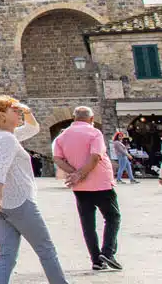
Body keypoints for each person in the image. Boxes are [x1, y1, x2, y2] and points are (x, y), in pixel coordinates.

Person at [0, 96, 101, 284]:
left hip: (0, 204)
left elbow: (33, 128)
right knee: (46, 250)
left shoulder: (0, 136)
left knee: (7, 253)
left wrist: (26, 111)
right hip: (17, 202)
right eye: (14, 110)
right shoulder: (7, 140)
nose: (18, 114)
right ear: (1, 115)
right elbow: (0, 168)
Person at [52, 106, 121, 271]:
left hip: (80, 187)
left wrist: (75, 174)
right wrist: (81, 173)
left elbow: (57, 158)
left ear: (74, 119)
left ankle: (96, 260)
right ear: (91, 119)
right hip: (101, 183)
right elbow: (95, 156)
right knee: (113, 217)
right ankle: (108, 252)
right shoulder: (94, 133)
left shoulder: (62, 136)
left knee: (88, 223)